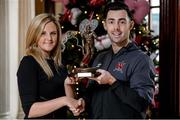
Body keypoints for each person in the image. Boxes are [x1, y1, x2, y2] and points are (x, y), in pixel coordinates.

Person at [74, 1, 155, 119]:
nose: (116, 28)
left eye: (122, 22)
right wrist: (83, 102)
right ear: (105, 25)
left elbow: (142, 104)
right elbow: (91, 94)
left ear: (131, 25)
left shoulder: (141, 60)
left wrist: (112, 81)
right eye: (111, 22)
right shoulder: (100, 57)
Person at [17, 13, 83, 119]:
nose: (49, 38)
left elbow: (70, 105)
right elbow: (30, 110)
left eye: (53, 33)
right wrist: (64, 100)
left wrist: (68, 87)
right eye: (43, 33)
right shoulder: (28, 63)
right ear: (34, 35)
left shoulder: (60, 63)